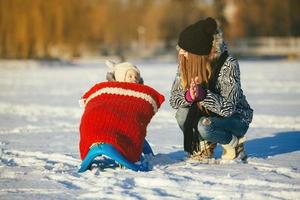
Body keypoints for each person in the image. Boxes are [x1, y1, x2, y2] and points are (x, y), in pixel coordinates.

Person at [169, 17, 253, 162]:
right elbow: (174, 100)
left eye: (185, 49)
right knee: (182, 114)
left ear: (198, 51)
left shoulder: (228, 64)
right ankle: (204, 145)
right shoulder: (186, 64)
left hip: (235, 118)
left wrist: (203, 95)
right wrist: (189, 96)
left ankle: (233, 143)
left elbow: (228, 108)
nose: (181, 53)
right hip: (207, 114)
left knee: (205, 127)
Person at [78, 60, 164, 171]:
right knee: (95, 116)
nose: (134, 79)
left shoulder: (138, 95)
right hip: (101, 123)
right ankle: (100, 142)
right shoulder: (106, 89)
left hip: (124, 126)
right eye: (130, 76)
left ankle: (122, 145)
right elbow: (90, 99)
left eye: (136, 77)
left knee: (128, 118)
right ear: (120, 76)